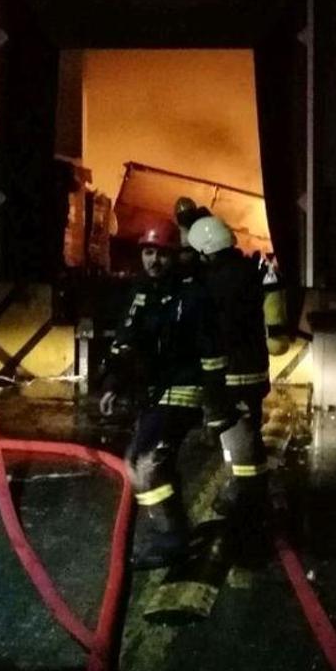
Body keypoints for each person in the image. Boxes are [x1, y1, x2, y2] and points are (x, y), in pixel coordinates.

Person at [99, 217, 227, 569]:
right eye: (148, 252)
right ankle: (176, 530)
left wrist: (214, 404)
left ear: (176, 256)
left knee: (143, 463)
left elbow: (211, 352)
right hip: (154, 390)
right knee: (155, 463)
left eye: (162, 254)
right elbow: (127, 342)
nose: (154, 261)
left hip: (183, 389)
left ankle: (170, 539)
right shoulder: (142, 292)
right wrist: (114, 383)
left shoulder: (193, 295)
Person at [186, 215, 270, 521]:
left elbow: (211, 328)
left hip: (233, 371)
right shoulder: (246, 272)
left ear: (206, 250)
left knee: (237, 433)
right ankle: (250, 490)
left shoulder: (216, 282)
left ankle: (245, 496)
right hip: (254, 367)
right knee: (248, 431)